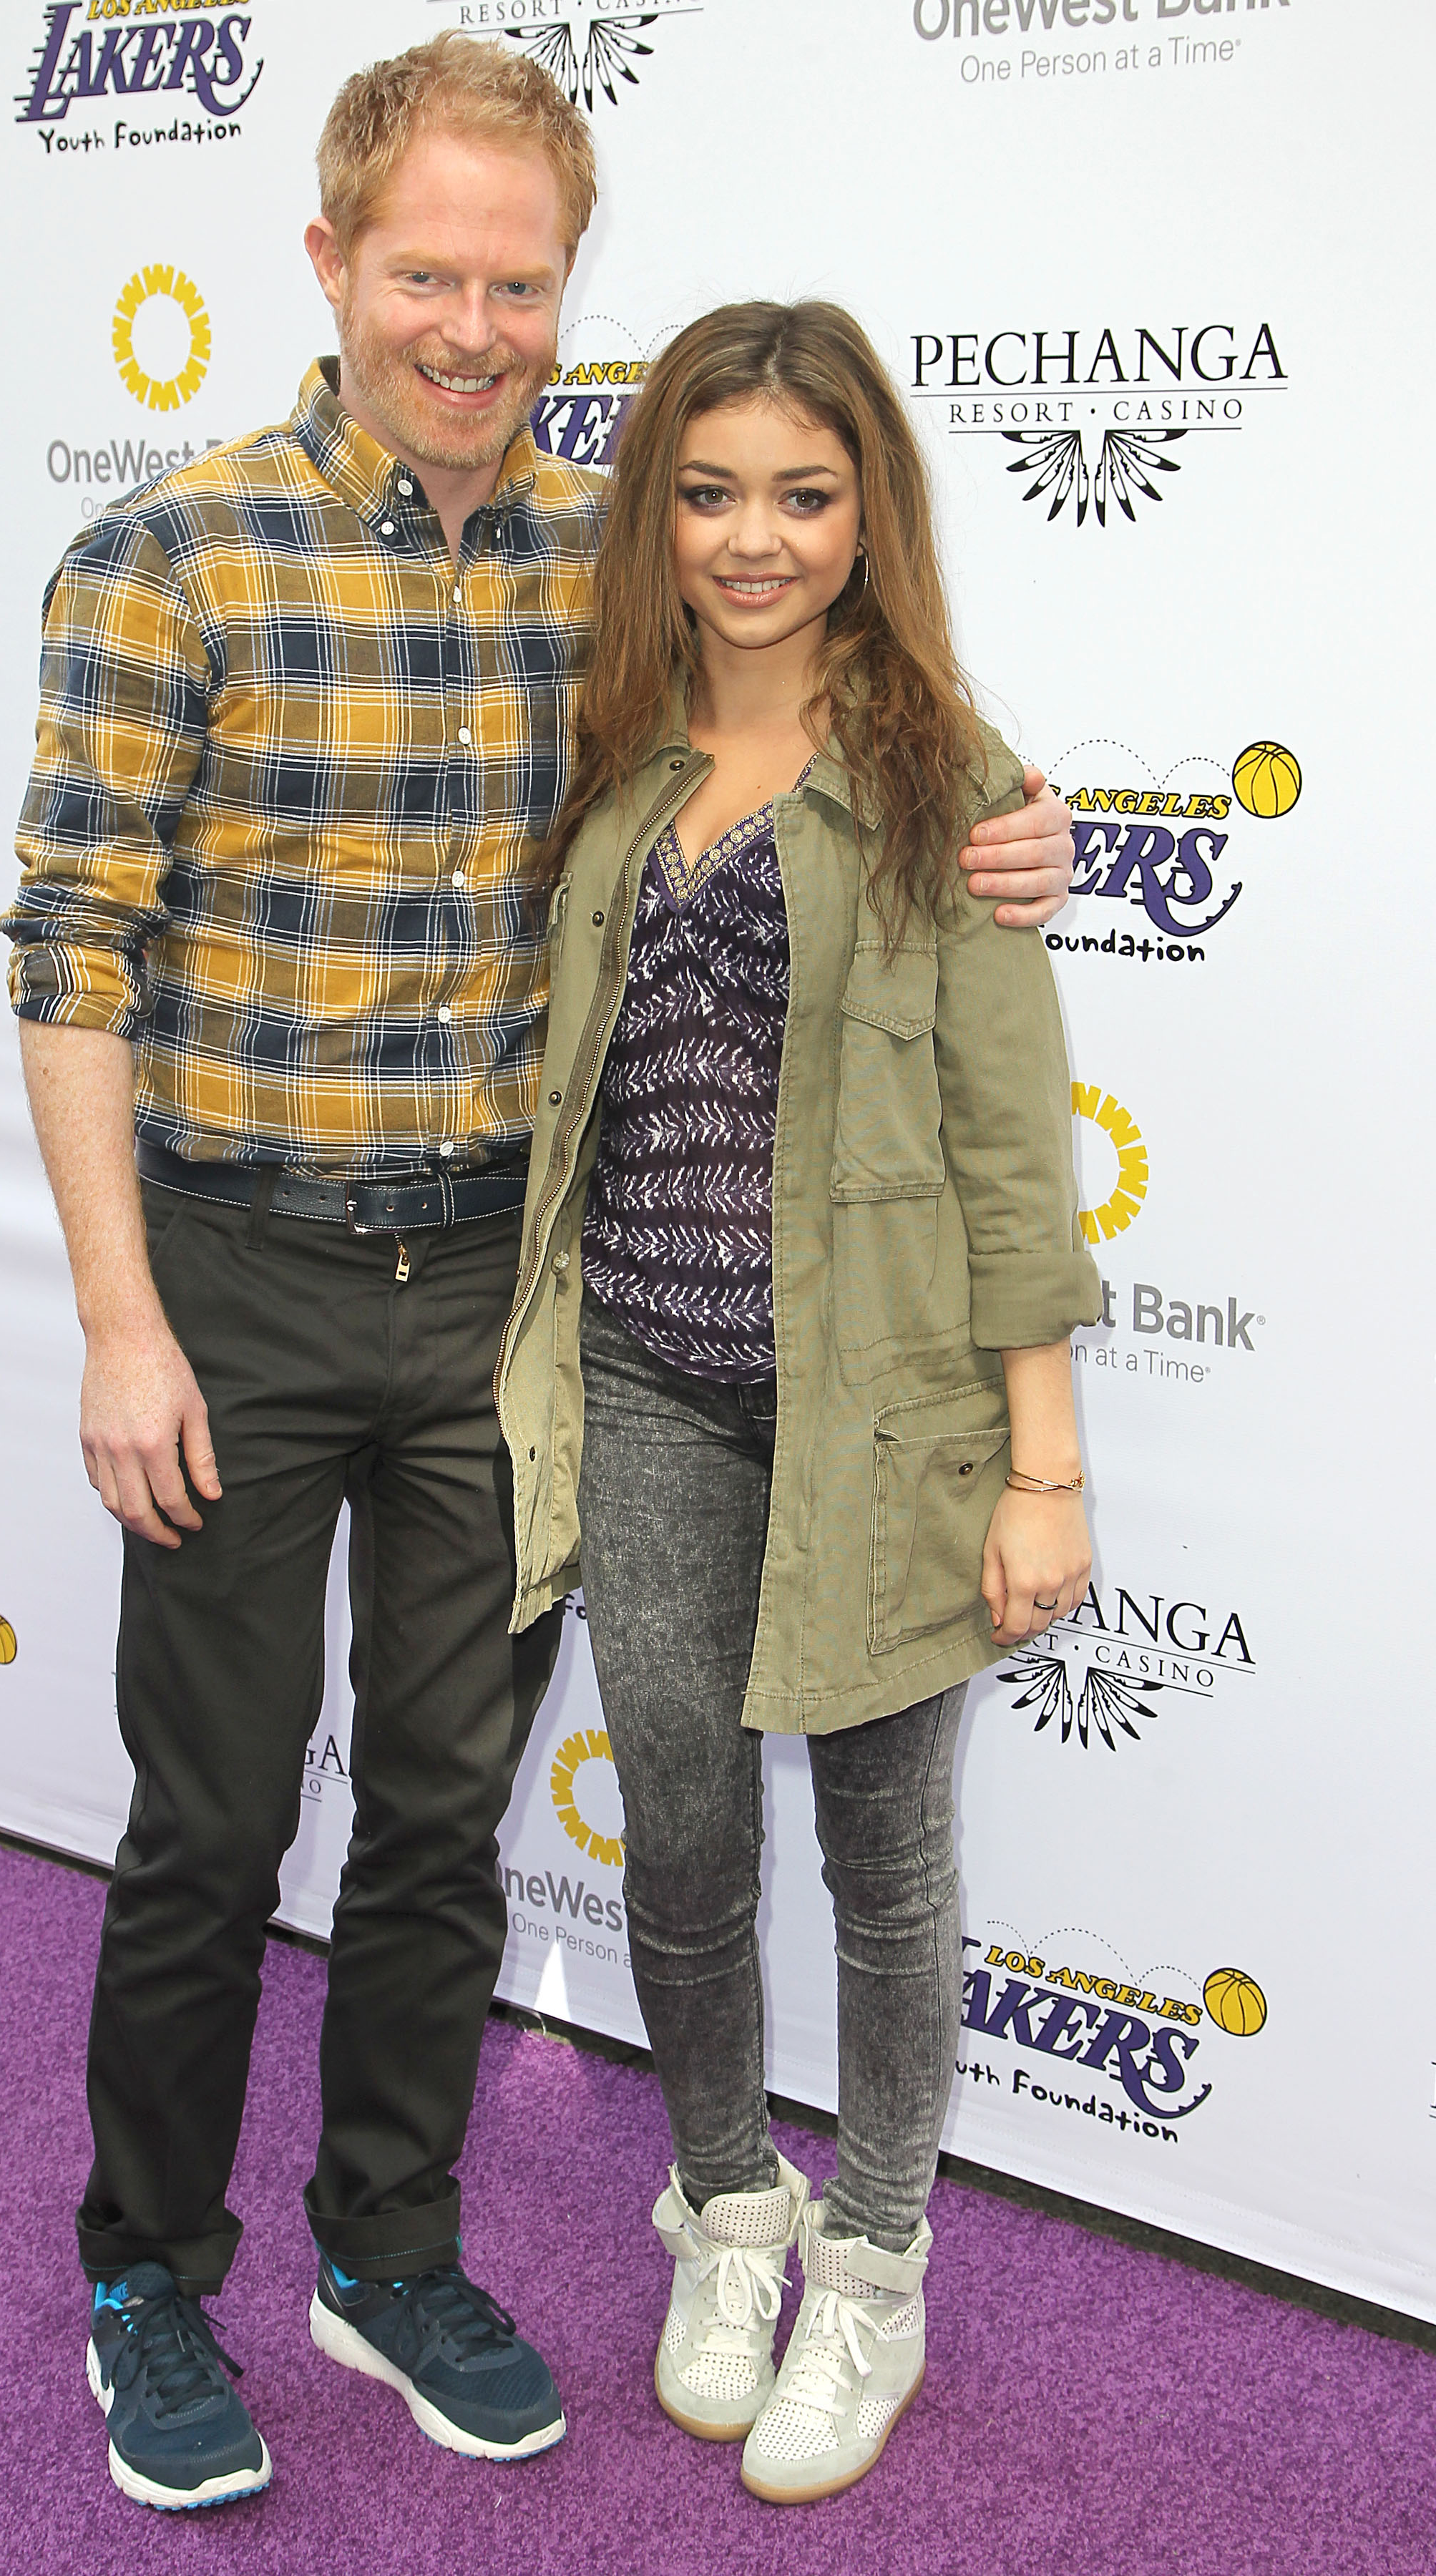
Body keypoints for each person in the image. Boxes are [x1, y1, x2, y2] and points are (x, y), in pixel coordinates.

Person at [1, 36, 1075, 2513]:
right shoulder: (172, 557)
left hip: (511, 1301)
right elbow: (68, 947)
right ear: (327, 263)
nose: (471, 327)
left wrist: (1017, 827)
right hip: (242, 1286)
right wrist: (120, 1316)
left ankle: (385, 2242)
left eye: (518, 280)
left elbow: (843, 703)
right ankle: (146, 2268)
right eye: (426, 275)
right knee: (209, 1810)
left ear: (563, 289)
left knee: (441, 1813)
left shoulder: (618, 574)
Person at [495, 299, 1100, 2507]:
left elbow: (1016, 1152)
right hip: (647, 1380)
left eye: (808, 495)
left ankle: (875, 2260)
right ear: (658, 500)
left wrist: (1045, 1465)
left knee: (887, 1861)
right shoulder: (620, 735)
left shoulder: (945, 769)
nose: (756, 539)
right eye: (713, 488)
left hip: (887, 1421)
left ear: (873, 515)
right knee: (677, 1824)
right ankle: (730, 2209)